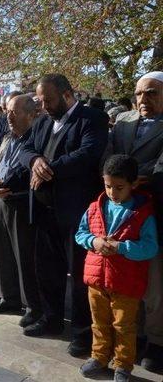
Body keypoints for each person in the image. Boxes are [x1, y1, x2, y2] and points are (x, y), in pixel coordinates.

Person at [18, 74, 108, 357]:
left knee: (80, 275)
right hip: (44, 210)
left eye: (49, 99)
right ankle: (52, 318)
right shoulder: (43, 121)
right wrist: (35, 160)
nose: (43, 106)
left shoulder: (91, 118)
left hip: (75, 212)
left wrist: (49, 168)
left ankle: (82, 333)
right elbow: (25, 148)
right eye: (40, 100)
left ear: (67, 95)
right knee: (48, 270)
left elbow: (88, 154)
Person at [76, 155, 159, 381]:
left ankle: (123, 365)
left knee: (124, 326)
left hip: (126, 282)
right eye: (108, 186)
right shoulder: (95, 207)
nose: (113, 192)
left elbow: (150, 247)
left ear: (133, 184)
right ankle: (99, 357)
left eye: (119, 187)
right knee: (99, 323)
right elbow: (81, 233)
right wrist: (94, 242)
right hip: (96, 279)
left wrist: (121, 247)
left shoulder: (143, 213)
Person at [105, 70, 163, 372]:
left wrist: (132, 177)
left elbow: (159, 168)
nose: (144, 99)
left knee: (154, 284)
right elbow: (109, 155)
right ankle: (133, 336)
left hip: (154, 211)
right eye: (140, 93)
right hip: (120, 213)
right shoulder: (124, 121)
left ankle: (155, 340)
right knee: (128, 281)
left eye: (152, 92)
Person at [0, 94, 42, 327]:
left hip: (20, 202)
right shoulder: (4, 137)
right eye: (7, 112)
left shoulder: (36, 137)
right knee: (1, 252)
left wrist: (4, 186)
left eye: (15, 112)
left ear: (30, 113)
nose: (10, 117)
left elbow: (27, 170)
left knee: (23, 257)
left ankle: (32, 307)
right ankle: (9, 298)